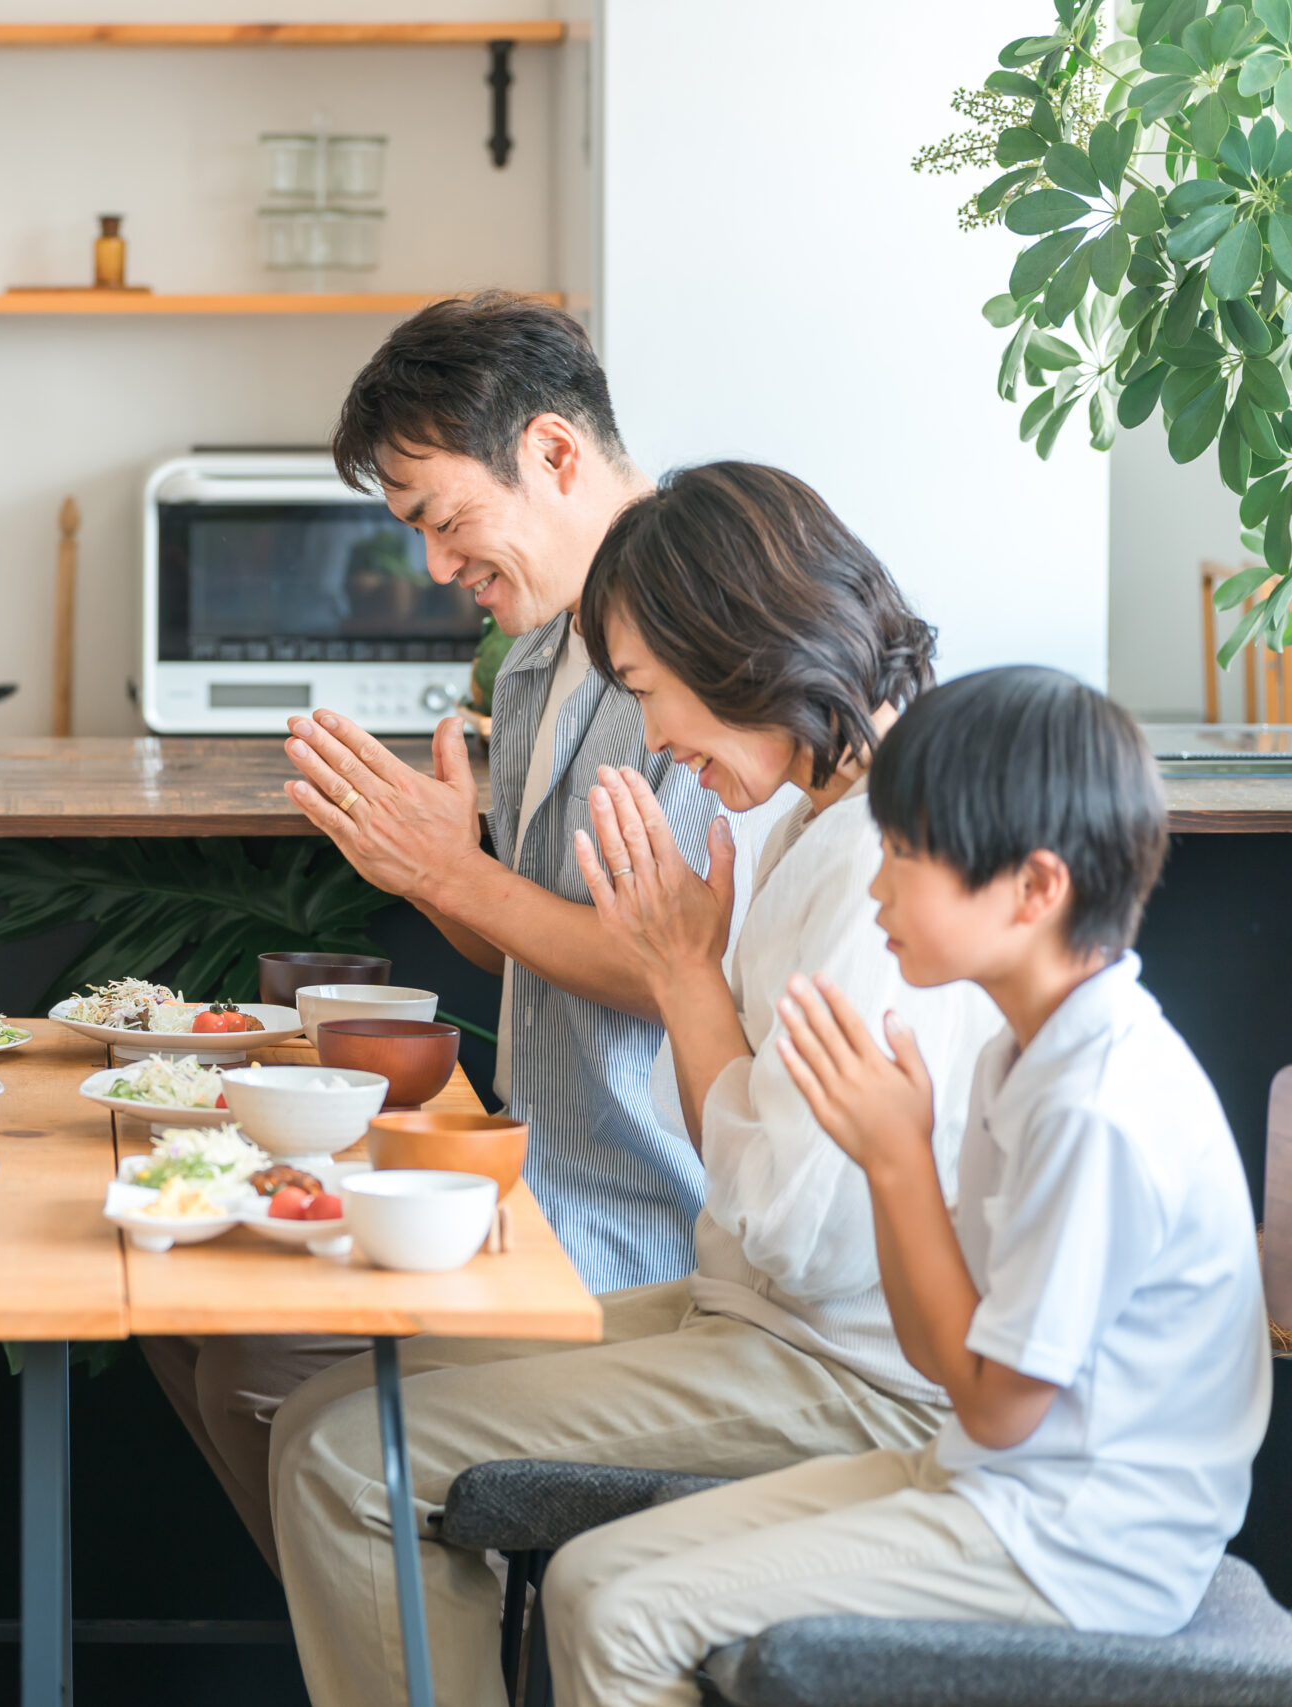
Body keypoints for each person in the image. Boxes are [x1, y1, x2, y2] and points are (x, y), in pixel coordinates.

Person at [270, 464, 1001, 1707]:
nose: (654, 739)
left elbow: (793, 1236)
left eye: (655, 696)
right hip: (765, 1322)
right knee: (318, 1422)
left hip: (847, 1372)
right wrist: (687, 974)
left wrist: (683, 979)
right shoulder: (821, 824)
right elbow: (765, 1188)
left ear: (743, 646)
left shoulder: (879, 864)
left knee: (353, 1459)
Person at [142, 292, 751, 1565]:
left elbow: (675, 976)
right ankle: (427, 1629)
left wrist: (456, 877)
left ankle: (436, 1632)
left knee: (258, 1368)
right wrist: (435, 870)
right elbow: (530, 946)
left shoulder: (703, 641)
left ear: (553, 455)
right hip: (527, 1192)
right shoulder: (532, 659)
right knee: (190, 1327)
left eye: (444, 519)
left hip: (640, 1231)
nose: (433, 566)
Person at [545, 666, 1268, 1706]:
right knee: (587, 1576)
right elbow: (950, 1361)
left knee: (626, 1618)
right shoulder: (1019, 1058)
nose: (875, 886)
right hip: (985, 1479)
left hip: (1075, 1544)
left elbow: (996, 1405)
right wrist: (896, 1151)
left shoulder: (1097, 1105)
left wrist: (893, 1158)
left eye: (906, 856)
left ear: (1034, 887)